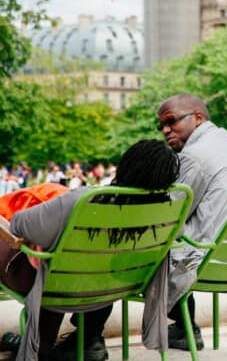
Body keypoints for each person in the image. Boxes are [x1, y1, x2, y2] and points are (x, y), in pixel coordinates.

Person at [50, 94, 227, 357]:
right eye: (161, 125)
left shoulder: (194, 156)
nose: (165, 130)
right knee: (177, 244)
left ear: (198, 118)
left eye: (171, 121)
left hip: (203, 258)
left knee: (105, 251)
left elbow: (162, 216)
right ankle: (185, 330)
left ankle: (87, 338)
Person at [2, 140, 181, 360]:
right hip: (108, 290)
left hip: (56, 286)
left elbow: (20, 224)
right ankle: (44, 346)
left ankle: (41, 345)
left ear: (125, 166)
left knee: (45, 258)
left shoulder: (84, 200)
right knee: (59, 263)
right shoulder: (163, 215)